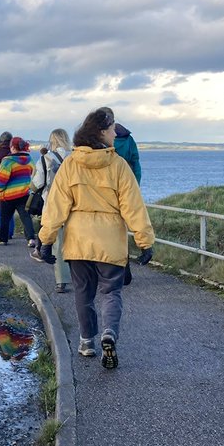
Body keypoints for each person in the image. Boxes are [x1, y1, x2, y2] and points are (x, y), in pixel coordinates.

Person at [36, 109, 155, 369]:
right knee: (111, 292)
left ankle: (86, 341)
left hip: (78, 241)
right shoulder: (119, 166)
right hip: (110, 240)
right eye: (112, 128)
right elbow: (133, 207)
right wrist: (145, 242)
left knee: (83, 294)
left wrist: (46, 240)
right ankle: (109, 333)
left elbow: (56, 206)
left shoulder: (70, 165)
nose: (115, 133)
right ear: (101, 131)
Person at [29, 128, 72, 293]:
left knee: (58, 242)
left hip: (53, 204)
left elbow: (38, 182)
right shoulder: (74, 156)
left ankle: (61, 281)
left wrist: (30, 190)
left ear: (52, 140)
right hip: (74, 204)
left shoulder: (46, 158)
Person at [0, 136, 38, 248]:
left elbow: (1, 180)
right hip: (24, 194)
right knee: (25, 217)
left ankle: (3, 239)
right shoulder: (29, 160)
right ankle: (31, 239)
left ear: (12, 147)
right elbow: (34, 175)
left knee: (5, 218)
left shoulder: (7, 161)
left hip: (8, 195)